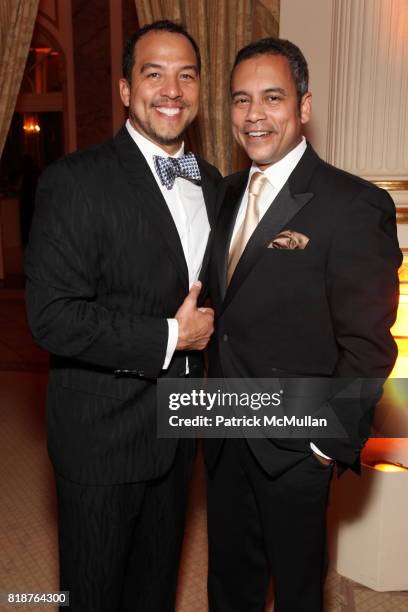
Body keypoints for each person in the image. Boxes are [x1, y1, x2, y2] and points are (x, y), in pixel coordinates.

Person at [25, 20, 221, 612]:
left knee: (154, 591)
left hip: (179, 426)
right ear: (124, 90)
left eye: (186, 75)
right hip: (102, 434)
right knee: (91, 595)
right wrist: (171, 336)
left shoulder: (212, 183)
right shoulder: (74, 182)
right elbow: (53, 317)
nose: (172, 89)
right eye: (153, 73)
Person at [203, 37, 401, 612]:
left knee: (297, 593)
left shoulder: (353, 204)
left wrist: (325, 442)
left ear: (303, 106)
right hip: (222, 431)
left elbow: (367, 344)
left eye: (271, 97)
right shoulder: (225, 192)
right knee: (229, 587)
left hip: (296, 442)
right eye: (240, 100)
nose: (254, 115)